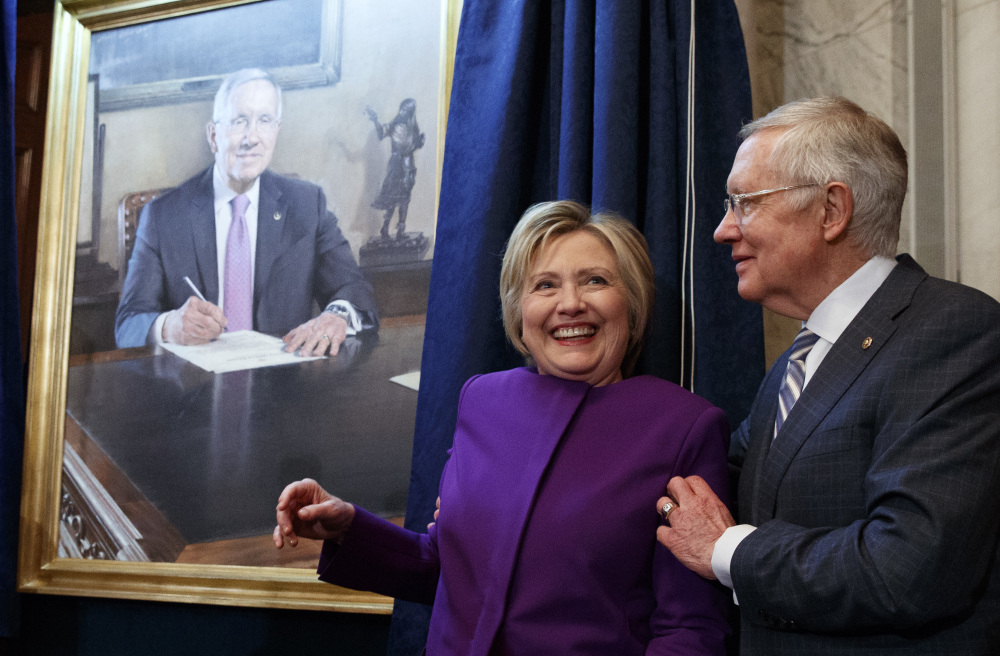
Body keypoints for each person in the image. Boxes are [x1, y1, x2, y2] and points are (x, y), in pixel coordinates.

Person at [275, 200, 733, 654]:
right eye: (545, 285)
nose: (570, 304)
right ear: (518, 310)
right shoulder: (482, 399)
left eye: (595, 280)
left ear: (631, 303)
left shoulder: (684, 428)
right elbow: (449, 569)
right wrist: (346, 527)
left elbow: (690, 631)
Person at [655, 97, 1000, 654]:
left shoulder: (953, 331)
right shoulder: (804, 356)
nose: (722, 230)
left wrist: (728, 551)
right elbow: (723, 472)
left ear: (831, 210)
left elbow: (907, 569)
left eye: (744, 202)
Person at [115, 68, 378, 355]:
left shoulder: (307, 205)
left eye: (264, 121)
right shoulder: (163, 217)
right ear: (213, 135)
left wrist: (336, 316)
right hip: (195, 389)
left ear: (276, 132)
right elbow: (128, 325)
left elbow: (355, 290)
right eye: (239, 121)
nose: (251, 138)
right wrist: (168, 326)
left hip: (285, 386)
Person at [365, 98, 425, 240]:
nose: (401, 112)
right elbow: (381, 133)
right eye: (401, 108)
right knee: (392, 197)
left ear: (410, 112)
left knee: (405, 198)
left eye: (405, 110)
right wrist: (375, 119)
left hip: (408, 165)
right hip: (396, 165)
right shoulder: (394, 125)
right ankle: (385, 229)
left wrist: (420, 141)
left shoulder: (413, 128)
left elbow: (414, 144)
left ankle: (400, 231)